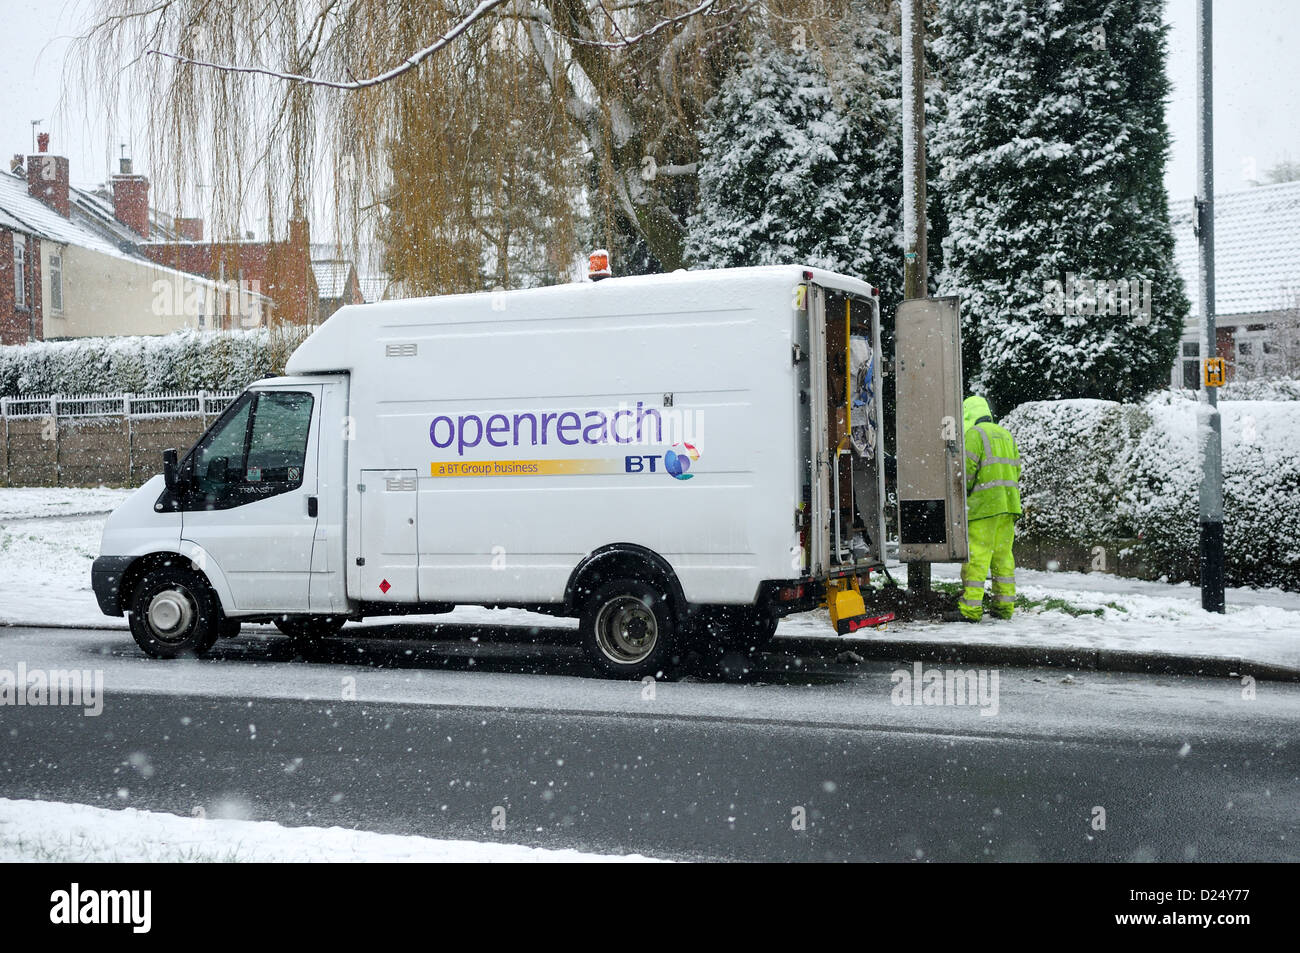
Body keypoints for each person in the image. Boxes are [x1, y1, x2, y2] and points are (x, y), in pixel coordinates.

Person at [947, 395, 1022, 623]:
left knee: (977, 558)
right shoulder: (1006, 434)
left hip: (984, 507)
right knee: (1003, 558)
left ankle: (970, 609)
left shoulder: (974, 434)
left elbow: (966, 472)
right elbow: (1016, 470)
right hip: (1009, 506)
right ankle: (1003, 607)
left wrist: (962, 495)